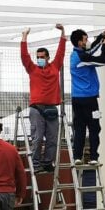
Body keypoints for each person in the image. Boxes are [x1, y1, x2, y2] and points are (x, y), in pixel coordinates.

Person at [21, 25, 66, 173]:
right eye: (38, 57)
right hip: (37, 109)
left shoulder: (54, 67)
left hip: (51, 108)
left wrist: (63, 33)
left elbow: (61, 51)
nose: (39, 59)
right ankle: (35, 163)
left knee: (52, 139)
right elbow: (24, 56)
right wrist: (24, 37)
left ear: (47, 57)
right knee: (38, 137)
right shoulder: (32, 69)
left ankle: (47, 162)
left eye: (42, 57)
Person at [69, 28, 105, 164]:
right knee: (94, 127)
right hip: (89, 99)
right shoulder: (82, 57)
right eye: (85, 39)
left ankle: (77, 157)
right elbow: (101, 60)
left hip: (77, 99)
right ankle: (93, 157)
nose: (87, 42)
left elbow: (91, 49)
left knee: (80, 128)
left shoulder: (76, 54)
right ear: (80, 42)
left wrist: (101, 36)